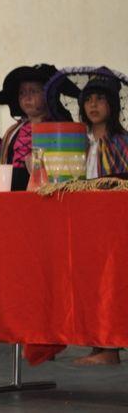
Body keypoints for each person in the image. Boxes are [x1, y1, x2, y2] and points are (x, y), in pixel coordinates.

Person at [72, 70, 128, 367]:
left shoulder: (123, 143)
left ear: (113, 105)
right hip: (84, 222)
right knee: (90, 283)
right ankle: (98, 344)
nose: (93, 105)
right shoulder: (77, 143)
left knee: (111, 283)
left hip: (113, 225)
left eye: (100, 99)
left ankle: (110, 348)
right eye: (88, 100)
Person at [0, 64, 76, 190]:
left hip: (47, 192)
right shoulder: (13, 132)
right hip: (14, 194)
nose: (27, 97)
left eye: (33, 91)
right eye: (22, 92)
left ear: (48, 95)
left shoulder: (59, 129)